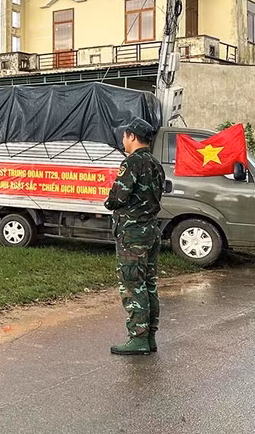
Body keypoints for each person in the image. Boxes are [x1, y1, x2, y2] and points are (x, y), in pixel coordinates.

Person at [104, 117, 166, 356]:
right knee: (149, 284)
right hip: (151, 231)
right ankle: (149, 336)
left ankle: (137, 338)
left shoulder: (132, 163)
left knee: (132, 285)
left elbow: (117, 197)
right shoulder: (155, 164)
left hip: (133, 234)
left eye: (124, 136)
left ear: (131, 136)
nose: (123, 140)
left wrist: (109, 201)